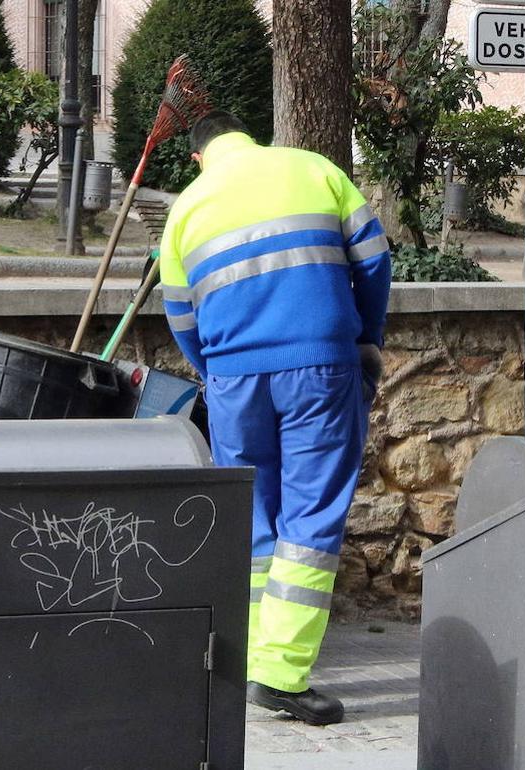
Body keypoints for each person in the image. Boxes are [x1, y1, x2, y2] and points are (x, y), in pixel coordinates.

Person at [160, 111, 391, 726]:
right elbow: (373, 261)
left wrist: (215, 373)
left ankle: (251, 662)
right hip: (319, 362)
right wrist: (367, 337)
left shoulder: (186, 207)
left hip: (234, 377)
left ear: (197, 157)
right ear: (250, 136)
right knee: (312, 510)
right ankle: (282, 673)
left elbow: (180, 315)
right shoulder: (313, 169)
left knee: (252, 514)